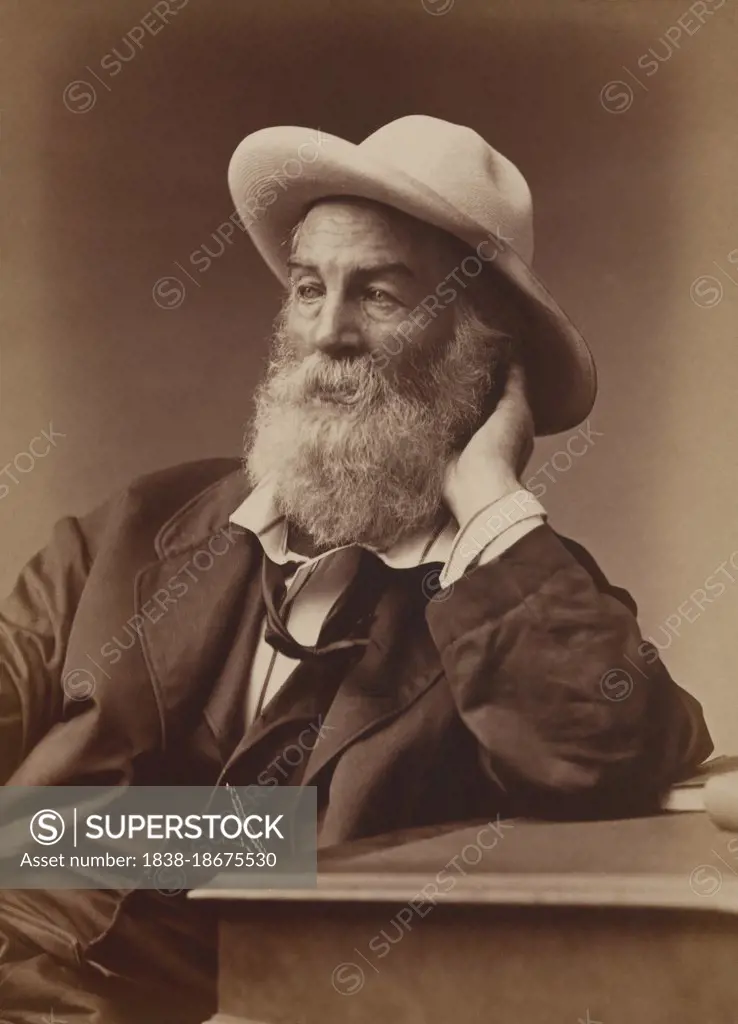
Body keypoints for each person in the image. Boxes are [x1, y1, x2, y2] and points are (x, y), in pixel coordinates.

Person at [0, 115, 711, 1023]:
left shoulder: (521, 586)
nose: (328, 331)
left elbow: (605, 754)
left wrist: (488, 491)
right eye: (307, 289)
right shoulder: (142, 525)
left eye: (378, 294)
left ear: (478, 347)